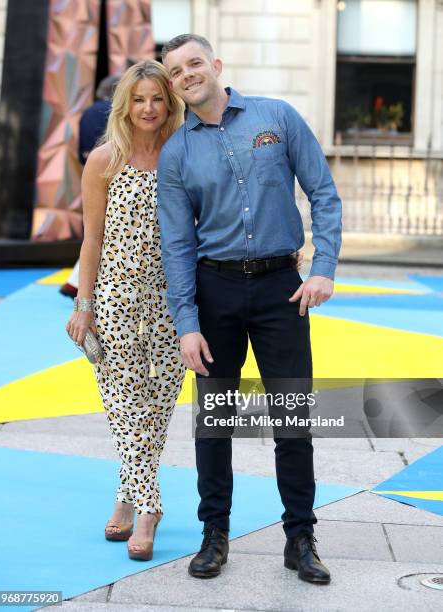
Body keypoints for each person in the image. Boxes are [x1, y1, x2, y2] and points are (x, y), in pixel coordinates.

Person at [157, 34, 342, 584]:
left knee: (292, 420)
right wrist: (187, 325)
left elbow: (323, 192)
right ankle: (214, 535)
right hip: (214, 295)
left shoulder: (276, 117)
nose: (187, 74)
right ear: (172, 84)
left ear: (215, 65)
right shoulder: (176, 153)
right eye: (175, 71)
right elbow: (177, 246)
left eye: (194, 63)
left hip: (280, 290)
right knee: (214, 423)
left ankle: (300, 539)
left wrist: (324, 266)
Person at [65, 60, 185, 560]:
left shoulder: (185, 153)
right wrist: (84, 305)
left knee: (157, 405)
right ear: (124, 104)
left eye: (157, 98)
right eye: (139, 99)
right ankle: (150, 508)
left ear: (169, 102)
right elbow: (91, 239)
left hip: (174, 300)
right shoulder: (103, 160)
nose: (149, 108)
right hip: (115, 298)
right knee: (124, 403)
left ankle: (125, 495)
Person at [61, 75, 119, 299]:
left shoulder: (86, 114)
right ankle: (77, 284)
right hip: (113, 171)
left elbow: (79, 151)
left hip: (90, 172)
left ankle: (75, 284)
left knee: (92, 231)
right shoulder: (111, 112)